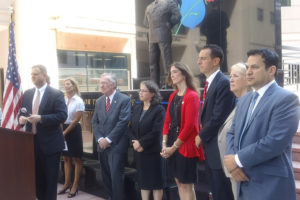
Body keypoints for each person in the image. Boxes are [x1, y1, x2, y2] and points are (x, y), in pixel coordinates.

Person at [224, 48, 300, 200]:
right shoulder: (244, 99)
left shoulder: (286, 99)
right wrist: (231, 161)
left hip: (269, 185)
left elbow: (275, 141)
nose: (249, 72)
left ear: (271, 70)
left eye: (255, 67)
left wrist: (237, 160)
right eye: (248, 67)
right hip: (243, 182)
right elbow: (232, 132)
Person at [19, 64, 67, 200]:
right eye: (31, 74)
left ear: (44, 75)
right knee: (37, 179)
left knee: (50, 180)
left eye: (35, 74)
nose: (32, 76)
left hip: (50, 145)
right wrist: (21, 119)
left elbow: (62, 115)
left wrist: (41, 118)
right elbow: (21, 113)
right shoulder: (28, 94)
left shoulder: (56, 94)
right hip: (31, 144)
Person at [196, 44, 235, 200]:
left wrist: (201, 136)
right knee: (215, 191)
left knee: (223, 193)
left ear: (216, 61)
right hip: (210, 147)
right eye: (199, 58)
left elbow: (218, 116)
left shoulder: (223, 83)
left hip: (218, 148)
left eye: (203, 58)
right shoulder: (209, 83)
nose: (199, 62)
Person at [161, 62, 204, 200]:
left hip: (185, 144)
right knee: (178, 182)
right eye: (171, 72)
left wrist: (173, 148)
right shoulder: (173, 96)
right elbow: (167, 121)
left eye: (175, 72)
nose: (171, 75)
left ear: (184, 74)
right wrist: (164, 143)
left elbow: (189, 126)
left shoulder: (192, 96)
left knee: (186, 185)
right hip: (172, 142)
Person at [92, 73, 131, 200]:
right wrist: (99, 139)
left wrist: (108, 139)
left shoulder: (124, 99)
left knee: (116, 176)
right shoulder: (99, 101)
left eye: (104, 83)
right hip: (101, 145)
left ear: (113, 84)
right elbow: (94, 122)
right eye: (100, 83)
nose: (101, 85)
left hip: (116, 145)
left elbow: (123, 122)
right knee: (105, 175)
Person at [217, 63, 250, 200]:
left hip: (242, 169)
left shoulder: (250, 104)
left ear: (247, 79)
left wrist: (236, 163)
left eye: (235, 76)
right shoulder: (240, 102)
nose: (231, 79)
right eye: (230, 76)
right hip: (232, 169)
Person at [129, 80, 165, 200]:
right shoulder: (137, 108)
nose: (140, 93)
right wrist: (135, 142)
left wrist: (142, 143)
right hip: (139, 151)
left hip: (153, 151)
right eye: (140, 90)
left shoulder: (159, 109)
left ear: (152, 93)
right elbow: (131, 128)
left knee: (156, 183)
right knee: (143, 182)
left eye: (144, 91)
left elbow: (156, 131)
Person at [58, 78, 85, 198]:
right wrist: (60, 132)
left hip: (73, 130)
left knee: (76, 158)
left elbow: (76, 120)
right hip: (62, 129)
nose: (66, 86)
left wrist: (64, 133)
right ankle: (66, 184)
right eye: (65, 85)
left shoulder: (78, 101)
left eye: (68, 84)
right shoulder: (63, 100)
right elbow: (60, 116)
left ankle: (75, 185)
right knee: (66, 158)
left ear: (74, 86)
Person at [144, 0, 181, 86]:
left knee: (167, 63)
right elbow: (146, 22)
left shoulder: (169, 2)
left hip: (164, 33)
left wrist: (169, 24)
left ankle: (170, 84)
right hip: (152, 36)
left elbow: (178, 15)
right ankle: (154, 85)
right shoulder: (149, 7)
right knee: (153, 64)